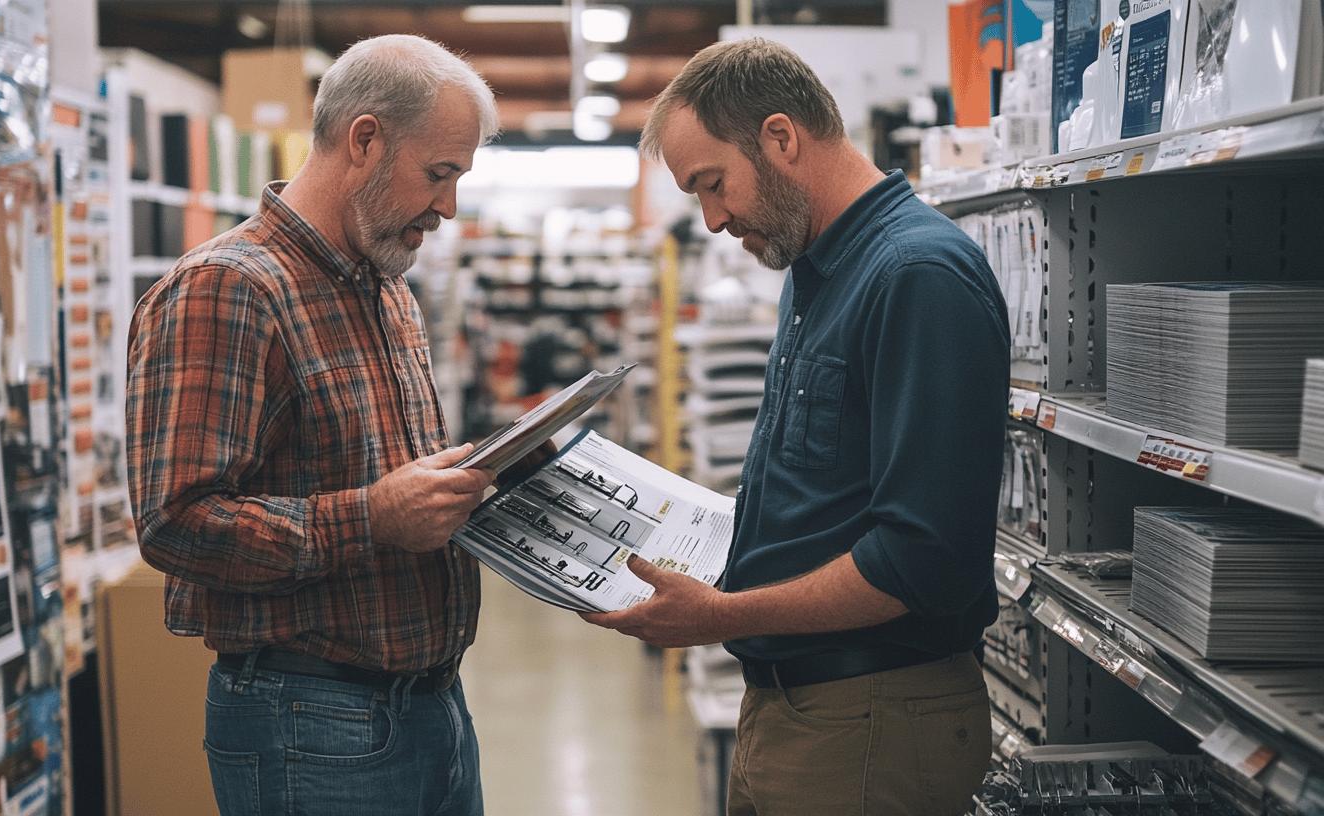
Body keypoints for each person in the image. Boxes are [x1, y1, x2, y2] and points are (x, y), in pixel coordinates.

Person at [582, 39, 1010, 815]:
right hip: (800, 712)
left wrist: (719, 617)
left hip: (873, 719)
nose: (711, 221)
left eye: (713, 185)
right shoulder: (817, 268)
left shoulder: (916, 276)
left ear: (781, 138)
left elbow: (923, 559)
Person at [126, 35, 499, 816]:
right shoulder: (227, 290)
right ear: (365, 139)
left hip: (431, 708)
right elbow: (175, 522)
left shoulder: (385, 286)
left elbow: (387, 477)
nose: (448, 206)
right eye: (440, 174)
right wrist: (371, 517)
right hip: (311, 721)